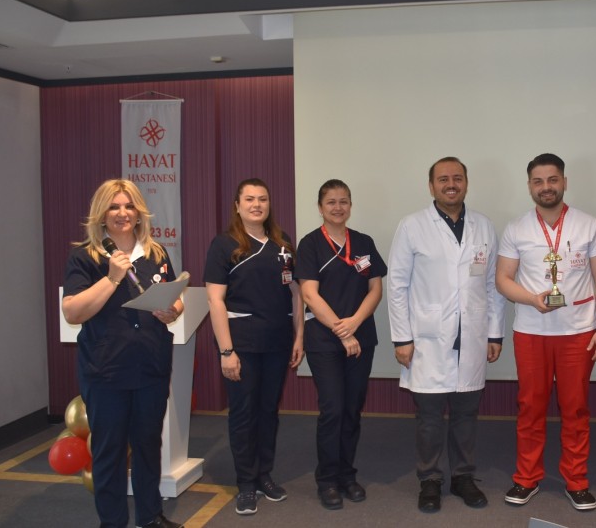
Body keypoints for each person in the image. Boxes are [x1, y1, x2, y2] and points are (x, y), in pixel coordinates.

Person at [62, 179, 184, 528]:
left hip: (150, 367)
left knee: (147, 446)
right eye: (114, 207)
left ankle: (150, 517)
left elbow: (174, 297)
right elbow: (72, 312)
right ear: (101, 215)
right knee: (109, 452)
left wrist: (172, 310)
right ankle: (112, 522)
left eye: (129, 206)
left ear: (139, 212)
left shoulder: (156, 254)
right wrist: (112, 277)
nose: (122, 213)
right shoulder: (85, 257)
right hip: (106, 371)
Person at [496, 153, 596, 512]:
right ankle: (527, 477)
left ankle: (576, 481)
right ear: (529, 186)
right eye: (538, 181)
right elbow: (503, 280)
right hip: (531, 332)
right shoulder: (516, 228)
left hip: (578, 332)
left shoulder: (588, 224)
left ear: (564, 182)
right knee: (530, 407)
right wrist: (532, 299)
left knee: (575, 408)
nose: (546, 187)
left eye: (552, 179)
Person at [388, 156, 505, 513]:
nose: (450, 184)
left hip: (472, 336)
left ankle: (463, 477)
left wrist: (495, 334)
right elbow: (396, 285)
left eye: (457, 178)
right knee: (429, 419)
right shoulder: (411, 226)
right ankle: (430, 480)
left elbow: (492, 285)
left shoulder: (484, 227)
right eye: (443, 179)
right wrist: (402, 338)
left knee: (466, 416)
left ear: (466, 183)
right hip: (427, 338)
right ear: (431, 186)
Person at [204, 178, 305, 516]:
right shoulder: (224, 245)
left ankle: (264, 475)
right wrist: (226, 351)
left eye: (262, 199)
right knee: (244, 413)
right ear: (237, 205)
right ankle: (246, 482)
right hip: (242, 343)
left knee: (268, 411)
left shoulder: (282, 243)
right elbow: (215, 300)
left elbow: (295, 293)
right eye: (249, 199)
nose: (256, 205)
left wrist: (299, 336)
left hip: (277, 341)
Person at [295, 179, 387, 510]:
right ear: (320, 207)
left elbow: (375, 289)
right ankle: (327, 480)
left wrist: (355, 324)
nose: (338, 207)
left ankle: (348, 475)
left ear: (350, 205)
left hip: (361, 337)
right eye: (331, 202)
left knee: (351, 409)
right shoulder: (310, 244)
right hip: (325, 340)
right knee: (332, 409)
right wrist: (342, 332)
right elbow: (309, 294)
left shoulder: (363, 242)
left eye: (344, 201)